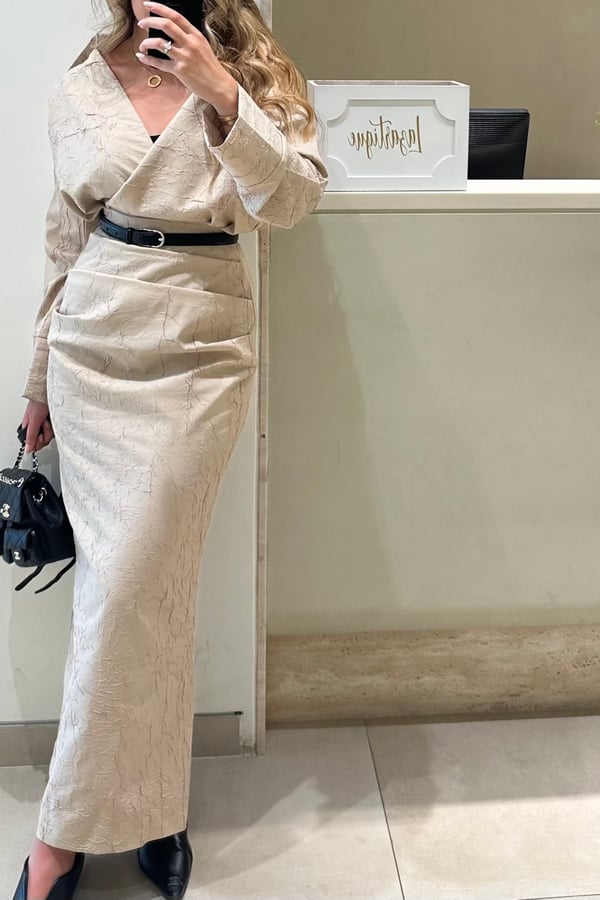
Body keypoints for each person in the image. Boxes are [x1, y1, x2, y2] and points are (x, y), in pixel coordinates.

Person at [13, 1, 328, 898]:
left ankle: (58, 841)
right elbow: (65, 238)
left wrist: (220, 92)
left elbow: (295, 200)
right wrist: (39, 378)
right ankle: (155, 811)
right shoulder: (81, 85)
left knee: (134, 587)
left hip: (200, 349)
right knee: (132, 597)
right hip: (95, 343)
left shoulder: (251, 66)